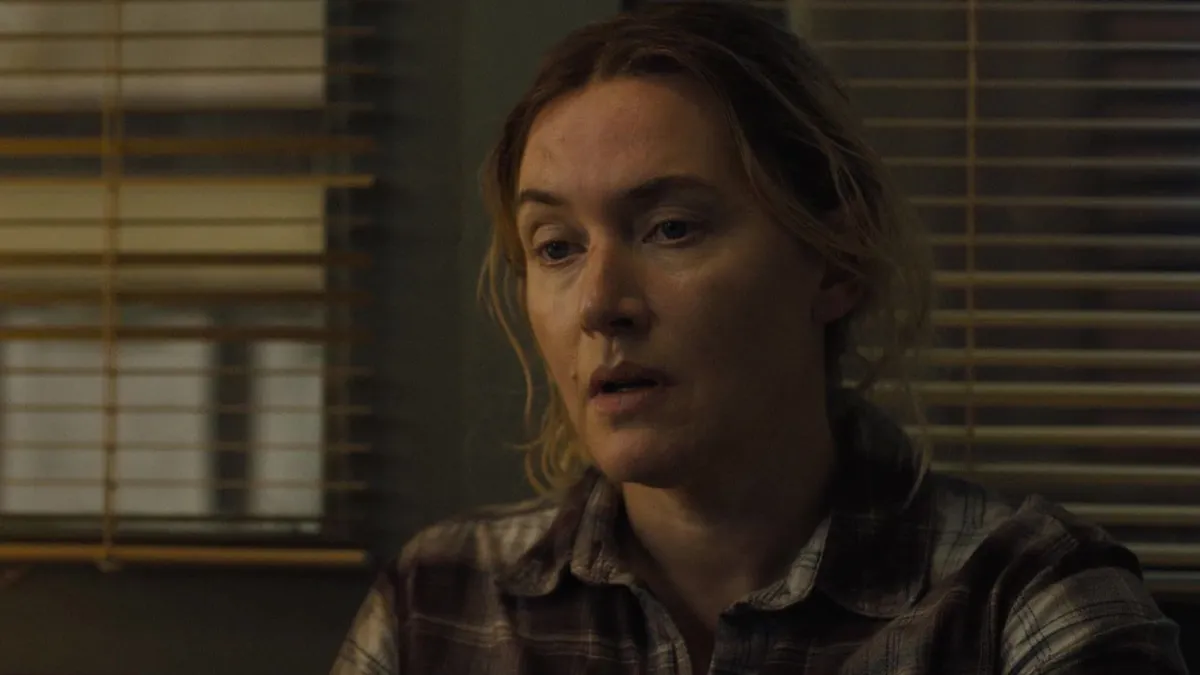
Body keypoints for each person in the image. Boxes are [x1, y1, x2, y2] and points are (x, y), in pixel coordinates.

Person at [331, 2, 1188, 673]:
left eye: (671, 228)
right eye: (557, 247)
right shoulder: (441, 600)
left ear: (833, 264)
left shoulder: (1018, 600)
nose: (599, 303)